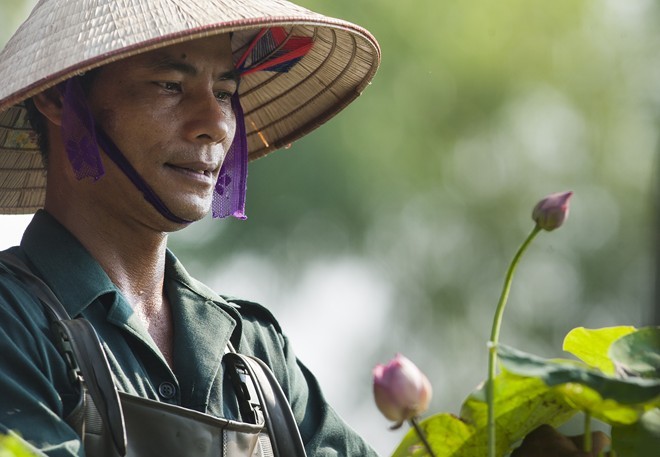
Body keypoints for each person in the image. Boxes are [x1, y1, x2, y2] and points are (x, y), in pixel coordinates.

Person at [0, 0, 381, 455]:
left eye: (224, 93)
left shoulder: (254, 352)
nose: (215, 126)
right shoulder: (14, 323)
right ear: (58, 97)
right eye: (170, 85)